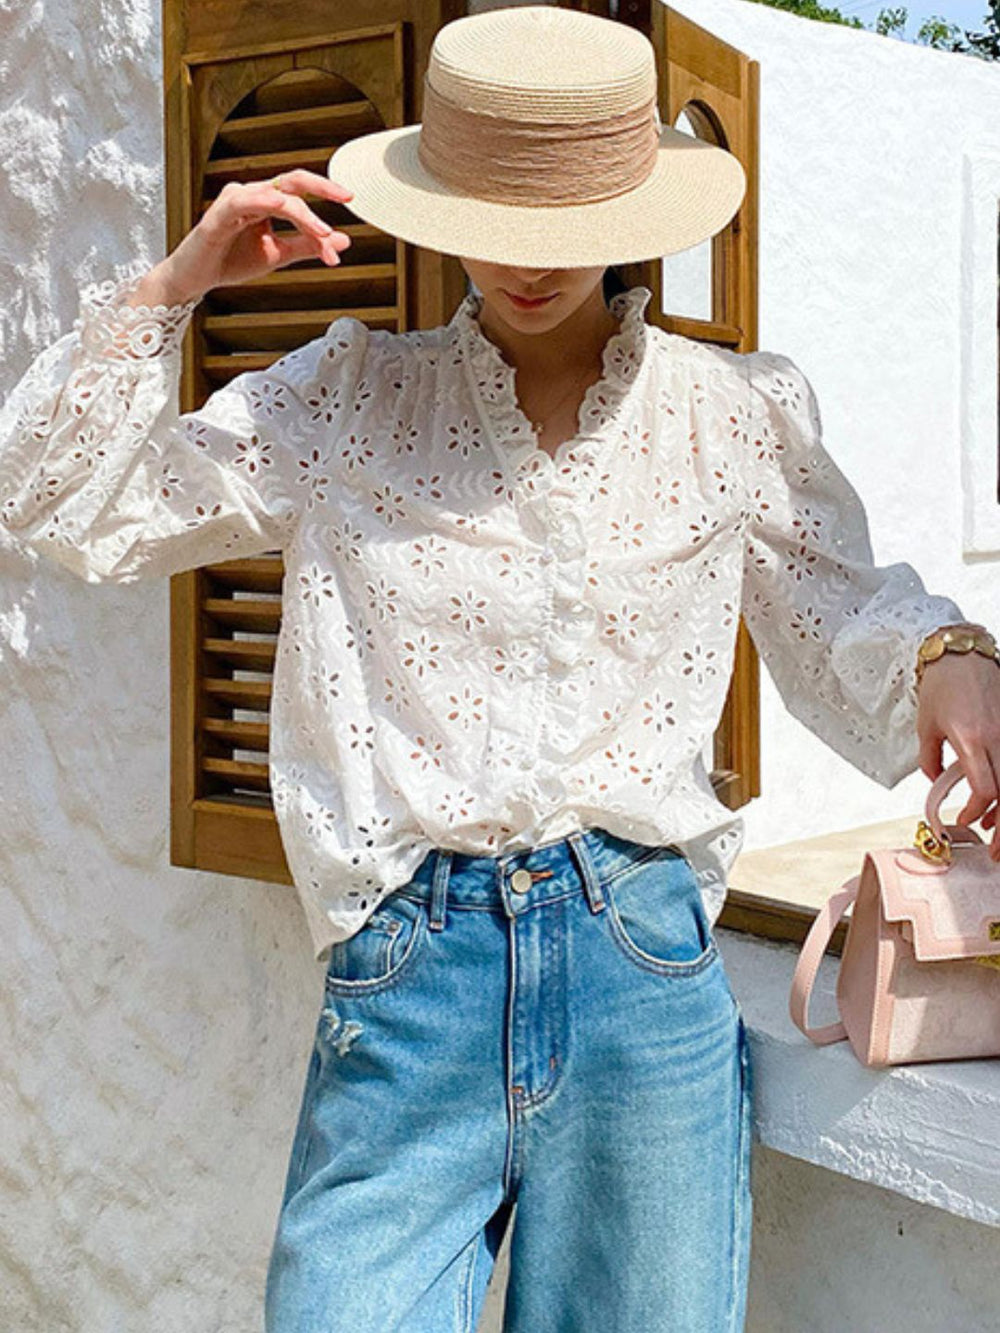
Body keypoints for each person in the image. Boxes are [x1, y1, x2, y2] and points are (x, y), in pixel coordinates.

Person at [2, 6, 999, 1331]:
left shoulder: (731, 415)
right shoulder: (348, 396)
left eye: (568, 224)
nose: (531, 265)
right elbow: (61, 502)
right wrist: (175, 286)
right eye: (497, 219)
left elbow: (843, 605)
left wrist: (947, 656)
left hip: (639, 967)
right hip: (406, 976)